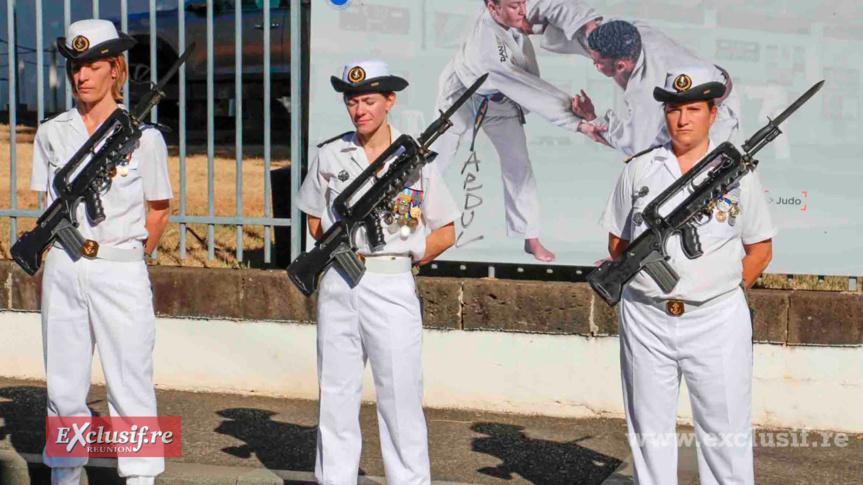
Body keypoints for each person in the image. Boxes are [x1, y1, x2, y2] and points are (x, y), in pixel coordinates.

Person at [598, 66, 776, 485]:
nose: (682, 119)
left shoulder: (739, 176)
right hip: (646, 317)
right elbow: (617, 246)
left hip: (715, 318)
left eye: (693, 109)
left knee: (725, 433)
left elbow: (760, 250)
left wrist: (715, 290)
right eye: (674, 109)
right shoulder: (639, 170)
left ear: (713, 113)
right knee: (649, 432)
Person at [296, 59, 460, 485]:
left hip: (391, 283)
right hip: (339, 281)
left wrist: (405, 255)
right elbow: (315, 221)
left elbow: (445, 230)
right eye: (352, 102)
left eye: (368, 100)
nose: (359, 110)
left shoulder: (415, 161)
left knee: (400, 396)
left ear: (390, 101)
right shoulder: (330, 154)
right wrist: (343, 244)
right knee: (335, 393)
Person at [30, 19, 172, 485]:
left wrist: (124, 257)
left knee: (130, 383)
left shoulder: (144, 137)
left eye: (93, 65)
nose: (81, 75)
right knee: (65, 385)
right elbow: (45, 207)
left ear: (116, 69)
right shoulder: (52, 134)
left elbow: (158, 212)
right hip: (64, 267)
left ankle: (140, 478)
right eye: (75, 65)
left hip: (120, 268)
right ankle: (65, 475)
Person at [432, 0, 592, 262]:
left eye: (522, 2)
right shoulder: (488, 46)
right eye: (512, 5)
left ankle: (530, 237)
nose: (521, 9)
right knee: (437, 158)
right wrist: (575, 118)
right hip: (461, 95)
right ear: (492, 8)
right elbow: (527, 88)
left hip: (500, 102)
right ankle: (408, 215)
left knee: (518, 165)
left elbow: (546, 20)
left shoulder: (511, 16)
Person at [571, 19, 742, 156]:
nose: (594, 64)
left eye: (598, 62)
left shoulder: (645, 93)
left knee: (709, 179)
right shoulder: (639, 31)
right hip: (713, 82)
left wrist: (591, 117)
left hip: (715, 119)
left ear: (621, 66)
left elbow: (633, 147)